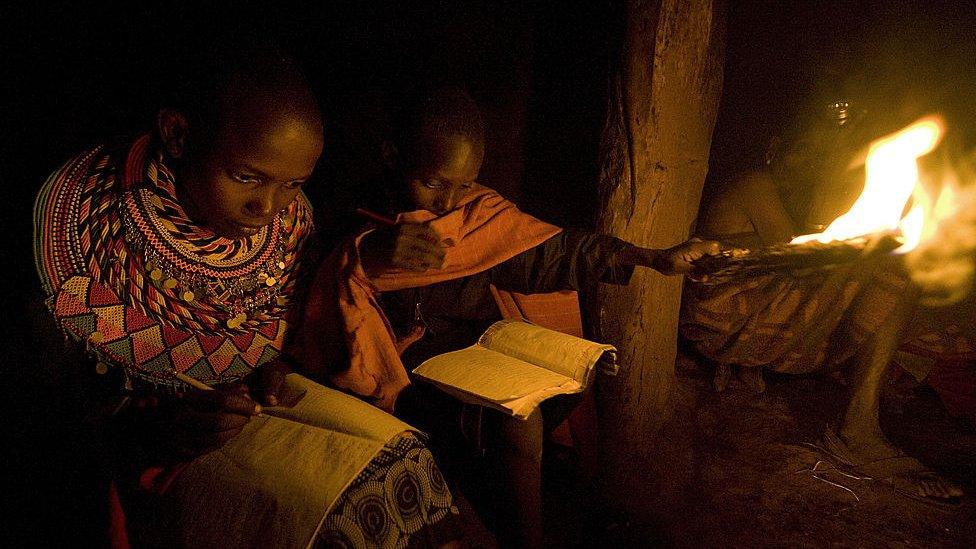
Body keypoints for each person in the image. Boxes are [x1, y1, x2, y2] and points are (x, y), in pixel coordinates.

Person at [31, 43, 461, 548]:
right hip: (144, 459)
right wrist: (159, 432)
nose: (268, 206)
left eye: (292, 184)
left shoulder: (290, 221)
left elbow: (280, 325)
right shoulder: (88, 235)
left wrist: (268, 364)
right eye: (245, 177)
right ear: (178, 135)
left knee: (408, 459)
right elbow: (60, 430)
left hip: (249, 419)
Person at [291, 86, 720, 548]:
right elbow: (319, 284)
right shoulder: (351, 214)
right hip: (400, 371)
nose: (446, 202)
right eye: (433, 183)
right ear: (393, 156)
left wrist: (653, 259)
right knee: (517, 422)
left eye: (463, 184)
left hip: (477, 355)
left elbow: (553, 252)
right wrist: (368, 250)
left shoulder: (477, 215)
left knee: (568, 376)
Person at [680, 98, 968, 503]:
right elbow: (798, 260)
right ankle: (858, 428)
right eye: (798, 153)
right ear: (773, 149)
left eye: (814, 157)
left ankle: (864, 406)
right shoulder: (754, 185)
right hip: (723, 321)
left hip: (756, 314)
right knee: (895, 274)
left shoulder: (782, 192)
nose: (803, 165)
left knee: (895, 273)